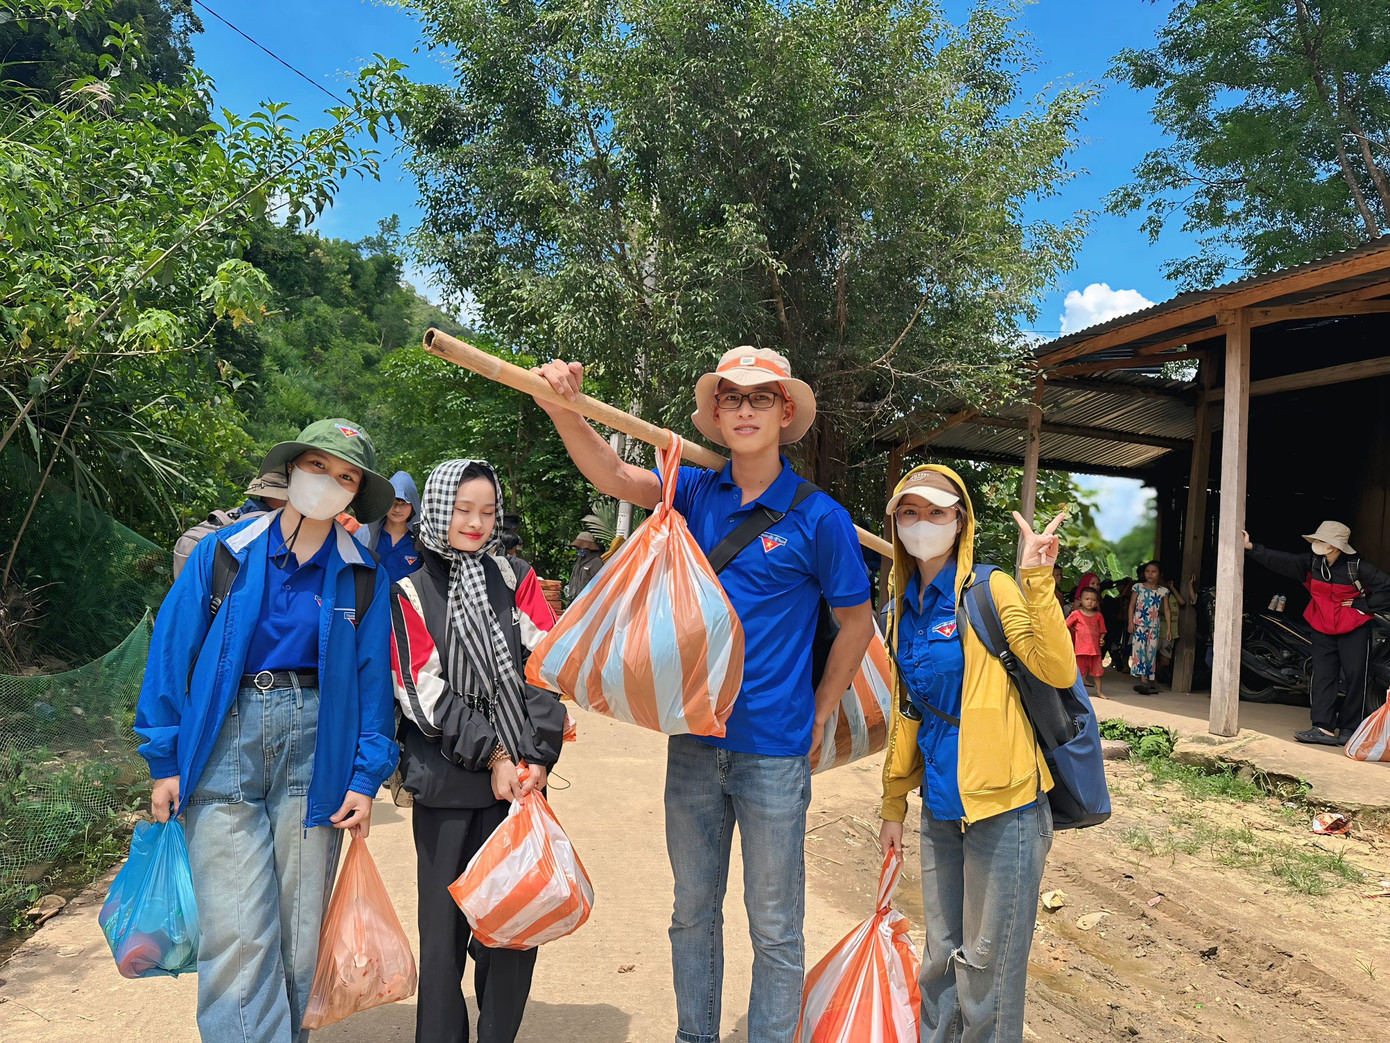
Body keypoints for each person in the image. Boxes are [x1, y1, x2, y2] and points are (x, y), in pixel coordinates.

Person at [533, 346, 875, 1043]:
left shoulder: (820, 518)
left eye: (760, 398)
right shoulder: (694, 490)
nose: (745, 409)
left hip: (775, 752)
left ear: (785, 413)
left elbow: (857, 623)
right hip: (695, 743)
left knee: (775, 923)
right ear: (716, 414)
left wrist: (820, 710)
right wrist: (560, 409)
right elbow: (616, 472)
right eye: (732, 397)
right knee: (692, 911)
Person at [135, 418, 398, 1043]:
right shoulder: (224, 554)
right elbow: (172, 654)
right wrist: (164, 757)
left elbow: (371, 686)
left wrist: (365, 777)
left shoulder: (363, 575)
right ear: (291, 470)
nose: (327, 483)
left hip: (317, 751)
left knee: (298, 935)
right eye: (317, 466)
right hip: (225, 743)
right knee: (236, 933)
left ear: (355, 495)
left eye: (345, 477)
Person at [877, 465, 1074, 1042]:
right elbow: (907, 713)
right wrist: (893, 803)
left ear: (960, 521)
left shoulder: (991, 590)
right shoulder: (900, 611)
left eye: (937, 512)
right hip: (941, 805)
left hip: (1006, 806)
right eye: (910, 513)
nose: (922, 524)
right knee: (940, 959)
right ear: (895, 524)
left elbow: (1056, 669)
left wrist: (1038, 580)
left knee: (988, 972)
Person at [388, 458, 564, 1043]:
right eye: (463, 509)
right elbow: (420, 689)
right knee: (443, 937)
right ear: (439, 509)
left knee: (514, 925)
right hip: (449, 784)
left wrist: (536, 756)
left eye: (487, 511)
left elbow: (545, 666)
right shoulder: (411, 591)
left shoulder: (514, 579)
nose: (475, 522)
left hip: (519, 784)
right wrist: (491, 756)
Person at [1244, 521, 1390, 744]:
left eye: (1322, 540)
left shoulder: (1357, 566)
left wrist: (1363, 604)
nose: (1317, 544)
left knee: (1355, 678)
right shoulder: (1312, 562)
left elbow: (1387, 587)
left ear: (1334, 545)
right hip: (1322, 626)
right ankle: (1323, 728)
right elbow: (1283, 561)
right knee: (1323, 677)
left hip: (1354, 628)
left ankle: (1350, 729)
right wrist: (1252, 548)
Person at [365, 470, 422, 582]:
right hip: (371, 598)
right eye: (393, 502)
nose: (397, 509)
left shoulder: (421, 542)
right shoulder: (366, 535)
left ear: (413, 505)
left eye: (403, 504)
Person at [1128, 561, 1171, 694]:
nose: (1150, 574)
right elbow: (1131, 606)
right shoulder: (1138, 587)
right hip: (1139, 624)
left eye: (1153, 571)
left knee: (1151, 652)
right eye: (1147, 571)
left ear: (1160, 574)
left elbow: (1167, 610)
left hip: (1154, 626)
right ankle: (1143, 679)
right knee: (1139, 650)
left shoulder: (1163, 591)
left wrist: (1169, 628)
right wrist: (1130, 622)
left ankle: (1149, 678)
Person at [1067, 586, 1108, 699]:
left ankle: (1099, 692)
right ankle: (1079, 693)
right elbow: (1065, 626)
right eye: (1087, 599)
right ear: (1080, 600)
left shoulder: (1099, 615)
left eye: (1093, 600)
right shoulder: (1076, 614)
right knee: (1079, 672)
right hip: (1080, 650)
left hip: (1095, 650)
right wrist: (1074, 632)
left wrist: (1101, 639)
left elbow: (1103, 630)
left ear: (1097, 602)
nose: (1090, 602)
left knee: (1098, 673)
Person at [565, 531, 604, 600]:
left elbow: (599, 585)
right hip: (574, 600)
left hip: (587, 601)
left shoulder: (596, 562)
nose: (579, 550)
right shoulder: (580, 560)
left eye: (580, 548)